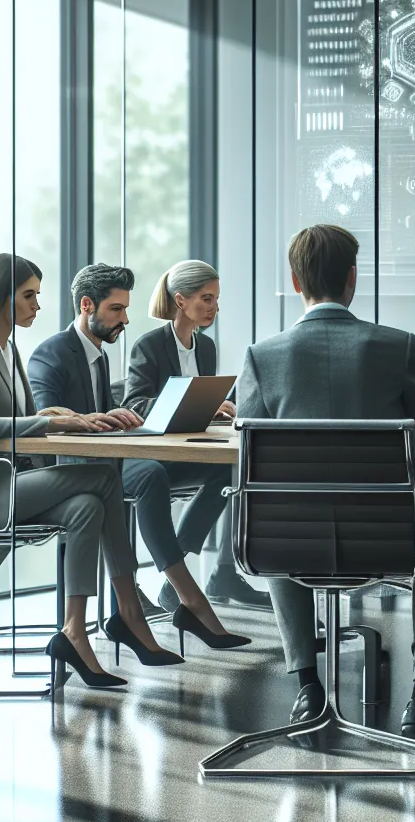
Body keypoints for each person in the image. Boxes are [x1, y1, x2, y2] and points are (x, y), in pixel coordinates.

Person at [0, 253, 192, 689]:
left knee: (86, 506)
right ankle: (127, 611)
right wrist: (58, 421)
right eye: (29, 295)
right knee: (103, 479)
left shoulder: (8, 349)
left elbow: (22, 417)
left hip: (2, 483)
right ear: (0, 297)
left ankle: (74, 631)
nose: (37, 305)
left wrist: (52, 412)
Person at [235, 224, 415, 747]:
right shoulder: (397, 347)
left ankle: (308, 687)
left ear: (296, 282)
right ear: (353, 279)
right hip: (388, 541)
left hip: (289, 544)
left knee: (279, 509)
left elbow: (248, 460)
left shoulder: (261, 356)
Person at [29, 261, 254, 650]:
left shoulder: (98, 353)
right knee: (149, 475)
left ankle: (170, 579)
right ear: (87, 306)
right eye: (117, 309)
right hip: (90, 466)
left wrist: (214, 403)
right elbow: (48, 419)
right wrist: (99, 418)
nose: (125, 319)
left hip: (126, 456)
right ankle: (185, 596)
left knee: (229, 468)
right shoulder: (55, 354)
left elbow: (113, 411)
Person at [121, 259, 271, 611]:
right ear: (180, 301)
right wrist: (193, 401)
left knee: (236, 470)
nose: (213, 308)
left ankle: (212, 571)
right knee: (226, 470)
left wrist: (222, 404)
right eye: (206, 298)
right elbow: (134, 405)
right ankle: (179, 578)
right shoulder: (149, 346)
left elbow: (203, 403)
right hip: (156, 457)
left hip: (190, 450)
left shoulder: (206, 347)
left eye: (216, 300)